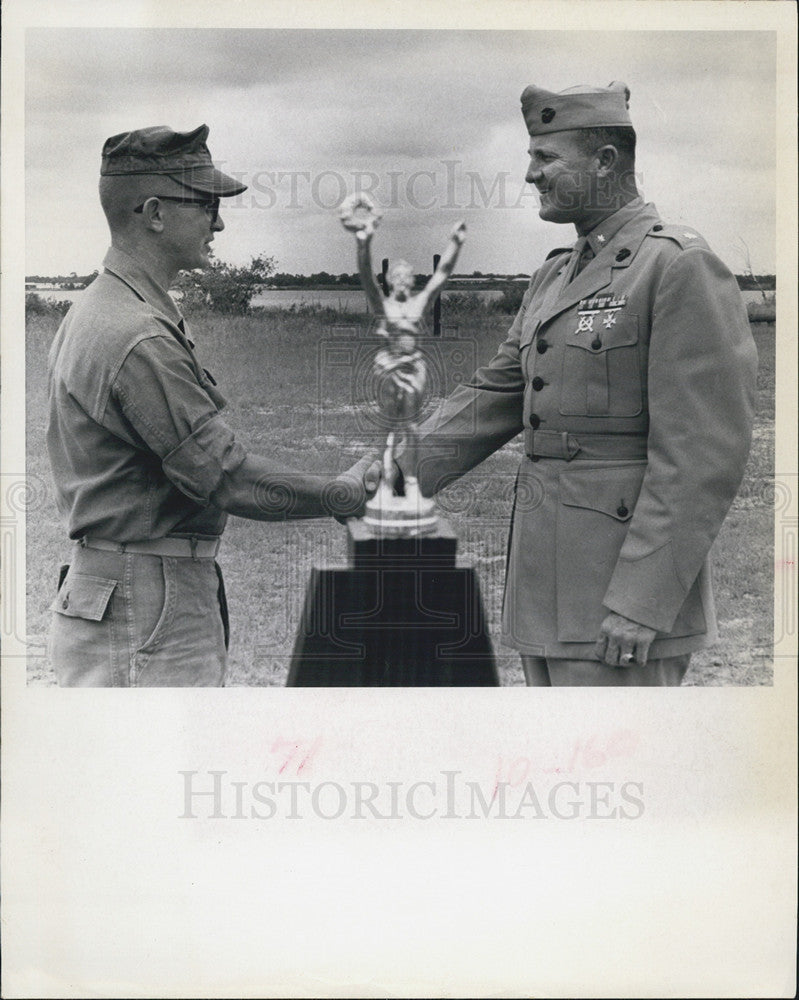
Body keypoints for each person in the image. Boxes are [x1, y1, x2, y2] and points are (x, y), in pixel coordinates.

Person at [399, 82, 758, 686]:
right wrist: (383, 477)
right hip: (546, 591)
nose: (530, 176)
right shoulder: (554, 276)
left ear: (606, 161)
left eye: (545, 159)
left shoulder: (675, 265)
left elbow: (702, 456)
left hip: (620, 599)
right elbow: (492, 397)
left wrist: (641, 602)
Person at [46, 124, 378, 687]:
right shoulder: (136, 334)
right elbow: (227, 479)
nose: (218, 221)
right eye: (204, 204)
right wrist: (338, 494)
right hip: (146, 596)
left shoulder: (112, 309)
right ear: (153, 212)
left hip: (131, 586)